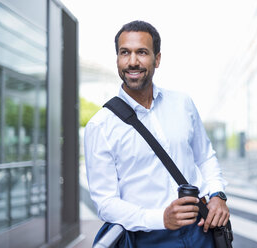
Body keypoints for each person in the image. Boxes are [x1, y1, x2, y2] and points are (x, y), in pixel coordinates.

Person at [84, 20, 230, 247]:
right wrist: (160, 218)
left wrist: (218, 195)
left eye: (142, 52)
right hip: (147, 237)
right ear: (117, 59)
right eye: (125, 53)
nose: (133, 61)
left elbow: (205, 157)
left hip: (201, 231)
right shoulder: (100, 126)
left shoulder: (183, 103)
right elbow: (106, 202)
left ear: (157, 59)